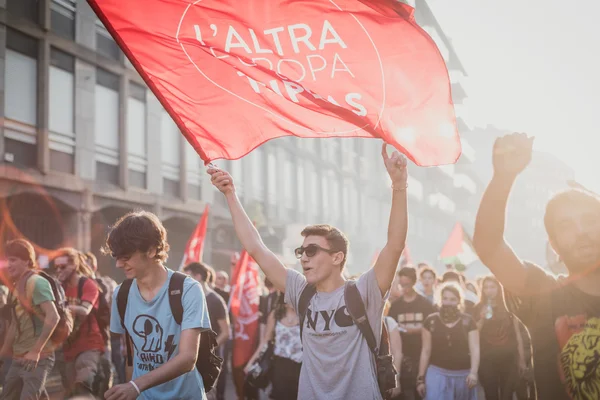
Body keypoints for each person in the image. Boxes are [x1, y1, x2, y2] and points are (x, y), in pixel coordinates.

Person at [208, 143, 408, 400]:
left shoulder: (364, 291)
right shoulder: (300, 291)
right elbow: (256, 247)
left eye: (312, 250)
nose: (304, 257)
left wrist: (399, 186)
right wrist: (230, 195)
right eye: (301, 252)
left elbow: (394, 245)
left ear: (338, 257)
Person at [473, 132, 600, 400]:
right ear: (554, 245)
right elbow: (489, 246)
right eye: (567, 226)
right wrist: (503, 177)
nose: (581, 232)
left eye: (590, 220)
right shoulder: (544, 295)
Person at [102, 211, 211, 400]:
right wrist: (131, 391)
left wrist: (136, 386)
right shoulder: (122, 294)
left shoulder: (187, 289)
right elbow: (131, 354)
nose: (119, 264)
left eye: (126, 256)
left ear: (151, 250)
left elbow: (188, 358)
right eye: (116, 257)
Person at [0, 239, 60, 400]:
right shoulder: (16, 286)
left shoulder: (37, 282)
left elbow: (53, 316)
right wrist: (3, 353)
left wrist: (36, 351)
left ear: (27, 261)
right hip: (19, 357)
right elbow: (14, 324)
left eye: (13, 260)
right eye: (7, 260)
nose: (8, 265)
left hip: (36, 358)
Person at [54, 248, 106, 396]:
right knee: (70, 389)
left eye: (63, 267)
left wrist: (62, 307)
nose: (59, 270)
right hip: (68, 345)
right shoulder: (60, 287)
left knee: (83, 383)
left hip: (89, 342)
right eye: (56, 267)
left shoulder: (87, 284)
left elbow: (84, 310)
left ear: (74, 265)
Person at [417, 282, 480, 400]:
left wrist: (473, 372)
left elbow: (475, 348)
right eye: (445, 298)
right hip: (437, 375)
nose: (448, 302)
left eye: (452, 299)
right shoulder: (431, 321)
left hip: (463, 376)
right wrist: (420, 379)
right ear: (440, 300)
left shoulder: (468, 321)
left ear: (459, 301)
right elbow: (425, 351)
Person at [474, 276, 527, 400]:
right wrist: (482, 317)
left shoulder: (508, 307)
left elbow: (517, 333)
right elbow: (474, 334)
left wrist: (522, 360)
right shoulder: (478, 307)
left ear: (499, 288)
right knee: (491, 395)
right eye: (486, 287)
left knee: (506, 395)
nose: (489, 290)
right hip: (487, 359)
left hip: (508, 359)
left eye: (492, 287)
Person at [388, 266, 435, 400]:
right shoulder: (396, 306)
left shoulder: (425, 304)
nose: (404, 288)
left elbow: (433, 328)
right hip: (402, 356)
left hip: (422, 355)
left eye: (407, 284)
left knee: (420, 392)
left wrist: (415, 330)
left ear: (414, 282)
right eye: (401, 285)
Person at [245, 294, 302, 400]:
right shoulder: (276, 314)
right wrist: (251, 362)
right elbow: (265, 340)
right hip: (279, 365)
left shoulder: (305, 315)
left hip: (300, 367)